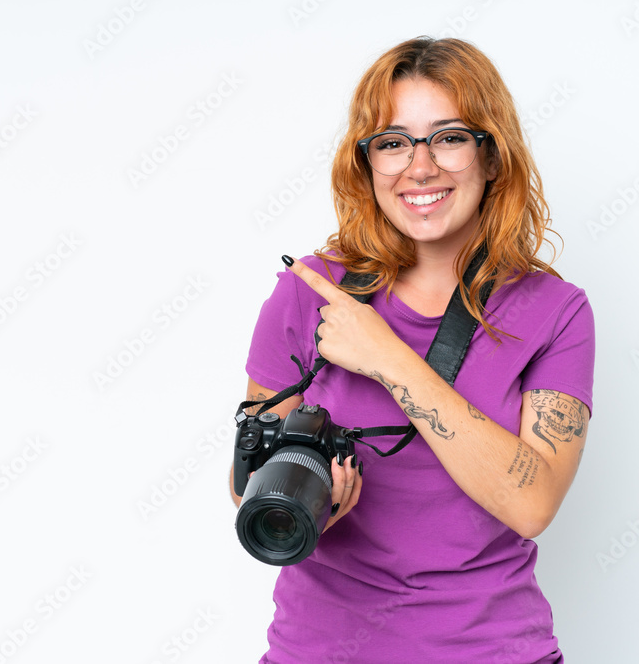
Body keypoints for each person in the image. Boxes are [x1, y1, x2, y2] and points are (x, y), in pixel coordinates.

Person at [230, 36, 594, 663]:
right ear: (367, 163)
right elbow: (248, 484)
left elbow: (531, 504)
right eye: (393, 142)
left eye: (448, 137)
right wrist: (310, 504)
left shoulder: (555, 313)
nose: (418, 168)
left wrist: (388, 357)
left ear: (492, 155)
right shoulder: (309, 291)